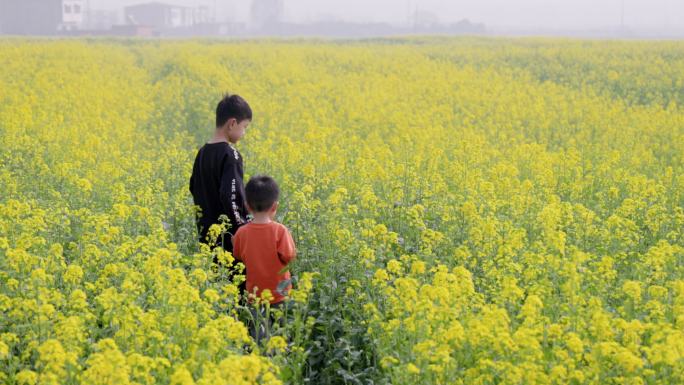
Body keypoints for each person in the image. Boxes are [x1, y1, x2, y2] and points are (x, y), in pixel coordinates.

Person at [189, 94, 251, 287]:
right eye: (244, 127)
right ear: (232, 123)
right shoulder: (230, 154)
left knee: (216, 286)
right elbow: (230, 195)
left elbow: (193, 186)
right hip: (228, 237)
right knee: (236, 286)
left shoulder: (202, 152)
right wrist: (241, 226)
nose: (244, 133)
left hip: (207, 234)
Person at [232, 175, 297, 343]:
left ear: (247, 206)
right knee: (282, 333)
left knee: (259, 334)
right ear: (275, 206)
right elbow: (290, 257)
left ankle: (261, 361)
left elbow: (238, 255)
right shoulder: (280, 231)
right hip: (280, 292)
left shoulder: (242, 233)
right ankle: (281, 360)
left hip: (255, 294)